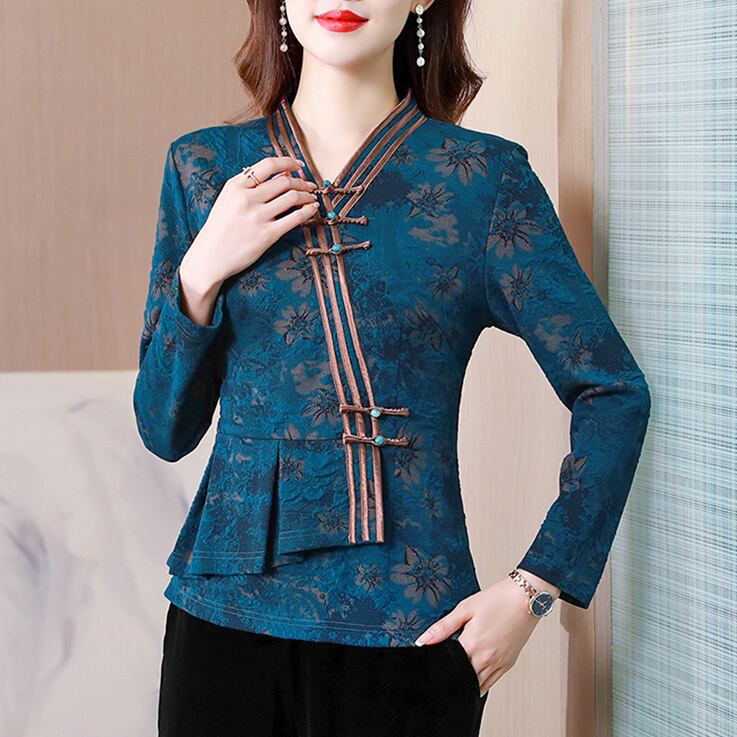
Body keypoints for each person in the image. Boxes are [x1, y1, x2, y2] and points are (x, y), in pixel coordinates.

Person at [133, 1, 651, 735]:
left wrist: (535, 587)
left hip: (411, 632)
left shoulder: (483, 180)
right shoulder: (204, 167)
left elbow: (612, 389)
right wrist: (201, 270)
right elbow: (163, 429)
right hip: (221, 625)